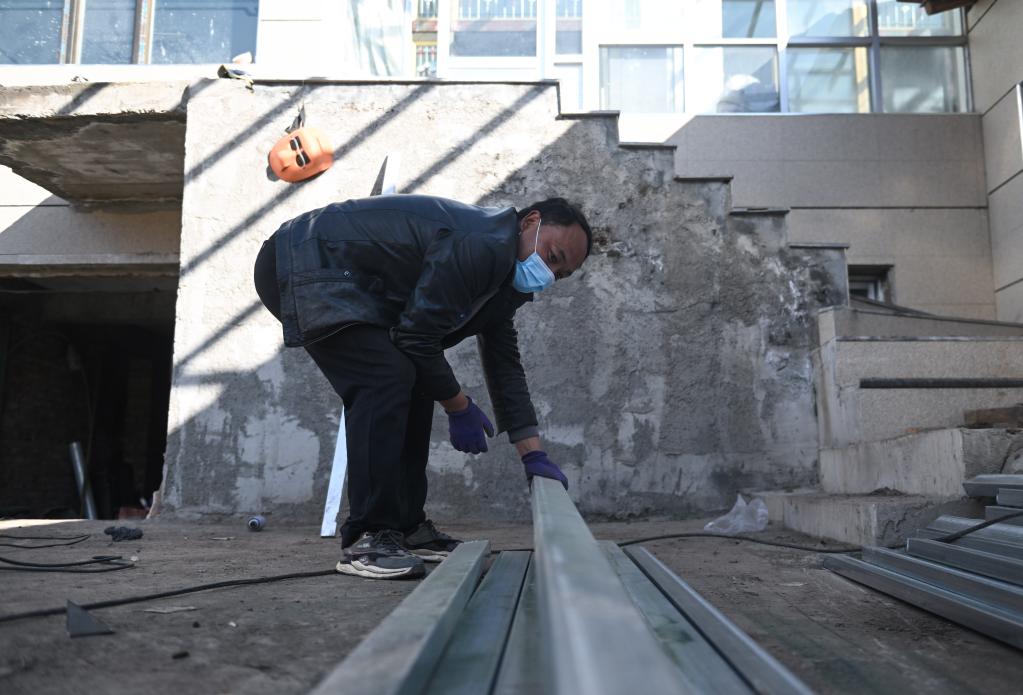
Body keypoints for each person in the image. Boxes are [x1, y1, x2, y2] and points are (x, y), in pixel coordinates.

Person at [253, 194, 592, 579]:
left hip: (348, 278)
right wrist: (459, 406)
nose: (548, 274)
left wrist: (533, 455)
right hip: (304, 260)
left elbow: (505, 366)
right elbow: (417, 337)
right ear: (530, 222)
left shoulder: (504, 281)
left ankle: (406, 527)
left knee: (413, 377)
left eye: (559, 274)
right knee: (385, 376)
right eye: (552, 257)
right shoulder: (480, 244)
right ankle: (367, 536)